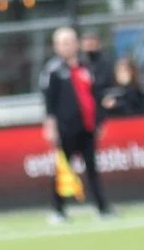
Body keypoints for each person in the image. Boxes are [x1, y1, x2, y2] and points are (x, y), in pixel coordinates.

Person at [40, 27, 113, 222]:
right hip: (65, 128)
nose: (68, 46)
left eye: (71, 41)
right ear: (56, 47)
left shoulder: (86, 66)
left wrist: (100, 120)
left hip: (87, 126)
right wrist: (51, 127)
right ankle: (58, 210)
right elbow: (49, 102)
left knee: (92, 169)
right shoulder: (53, 70)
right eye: (63, 43)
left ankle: (102, 208)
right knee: (64, 170)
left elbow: (95, 95)